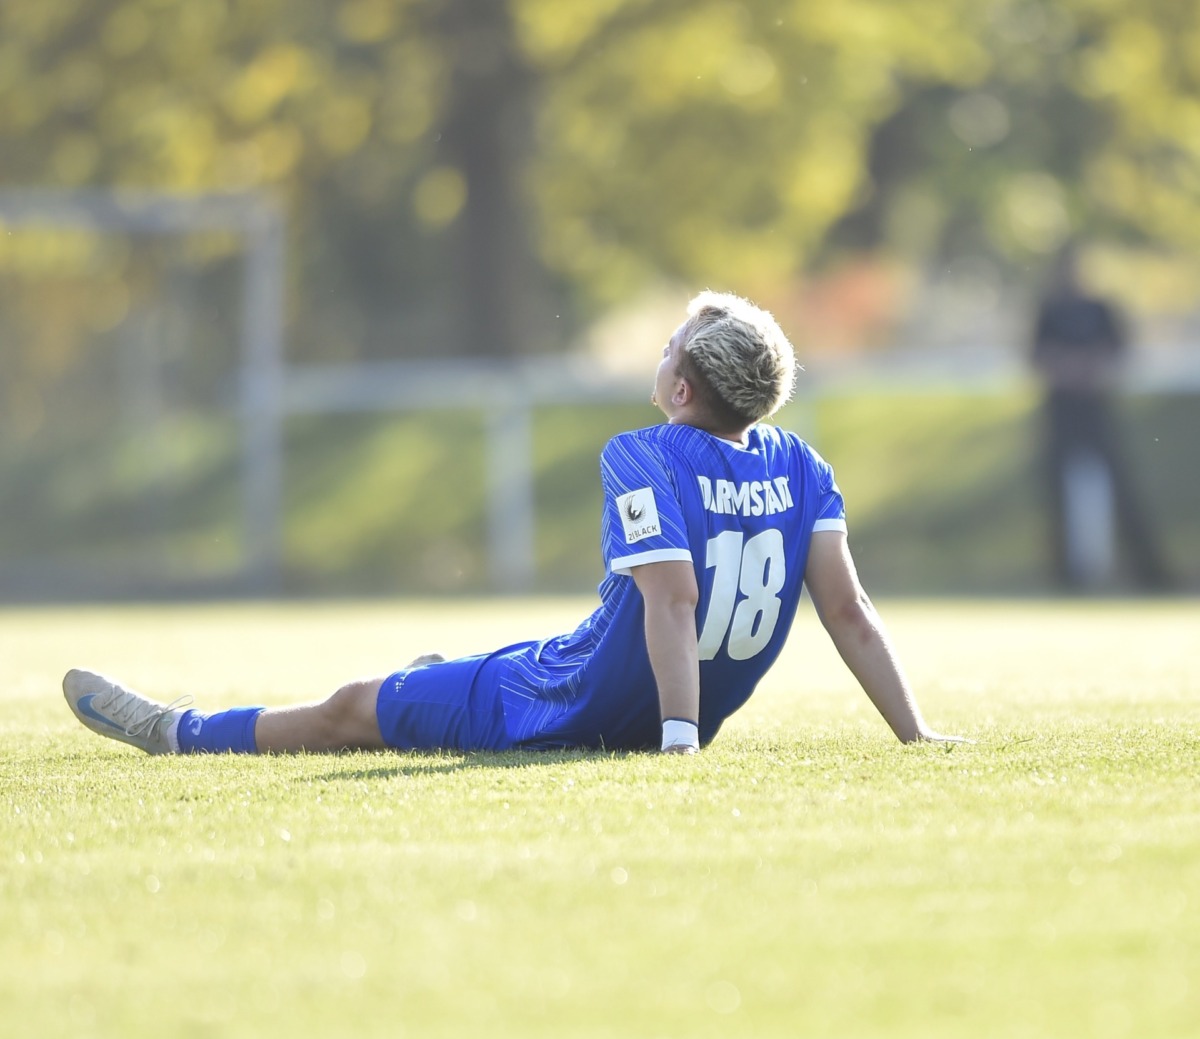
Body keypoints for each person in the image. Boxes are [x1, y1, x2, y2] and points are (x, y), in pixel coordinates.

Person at [64, 291, 964, 757]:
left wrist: (678, 746)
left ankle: (178, 732)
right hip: (625, 691)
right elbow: (849, 613)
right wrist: (914, 735)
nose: (658, 357)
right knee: (442, 678)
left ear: (682, 389)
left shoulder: (643, 452)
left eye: (667, 348)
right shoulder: (801, 463)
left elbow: (676, 602)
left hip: (564, 701)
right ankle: (427, 683)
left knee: (350, 712)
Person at [1031, 246, 1171, 591]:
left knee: (1122, 488)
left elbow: (1119, 351)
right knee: (1056, 492)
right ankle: (1063, 576)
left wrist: (1091, 368)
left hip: (1097, 408)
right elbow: (1037, 356)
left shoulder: (1101, 309)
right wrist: (1067, 367)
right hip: (1061, 410)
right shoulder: (1050, 310)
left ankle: (1150, 572)